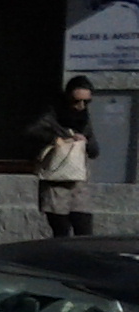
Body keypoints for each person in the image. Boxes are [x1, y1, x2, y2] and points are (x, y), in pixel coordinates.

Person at [29, 77, 97, 236]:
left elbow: (94, 151)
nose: (81, 106)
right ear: (67, 98)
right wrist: (57, 139)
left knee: (84, 228)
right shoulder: (51, 115)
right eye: (76, 101)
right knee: (61, 230)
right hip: (55, 181)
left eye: (86, 102)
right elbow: (31, 133)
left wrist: (84, 141)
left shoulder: (84, 119)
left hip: (78, 181)